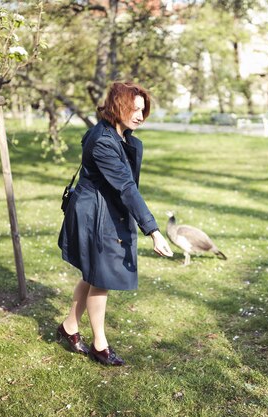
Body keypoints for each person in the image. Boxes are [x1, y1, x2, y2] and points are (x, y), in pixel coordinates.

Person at [57, 82, 173, 366]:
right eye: (133, 109)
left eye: (142, 110)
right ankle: (100, 345)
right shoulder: (103, 141)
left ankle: (69, 327)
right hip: (96, 215)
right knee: (102, 278)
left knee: (93, 273)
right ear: (116, 107)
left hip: (105, 211)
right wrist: (154, 231)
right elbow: (125, 188)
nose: (139, 115)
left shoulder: (120, 135)